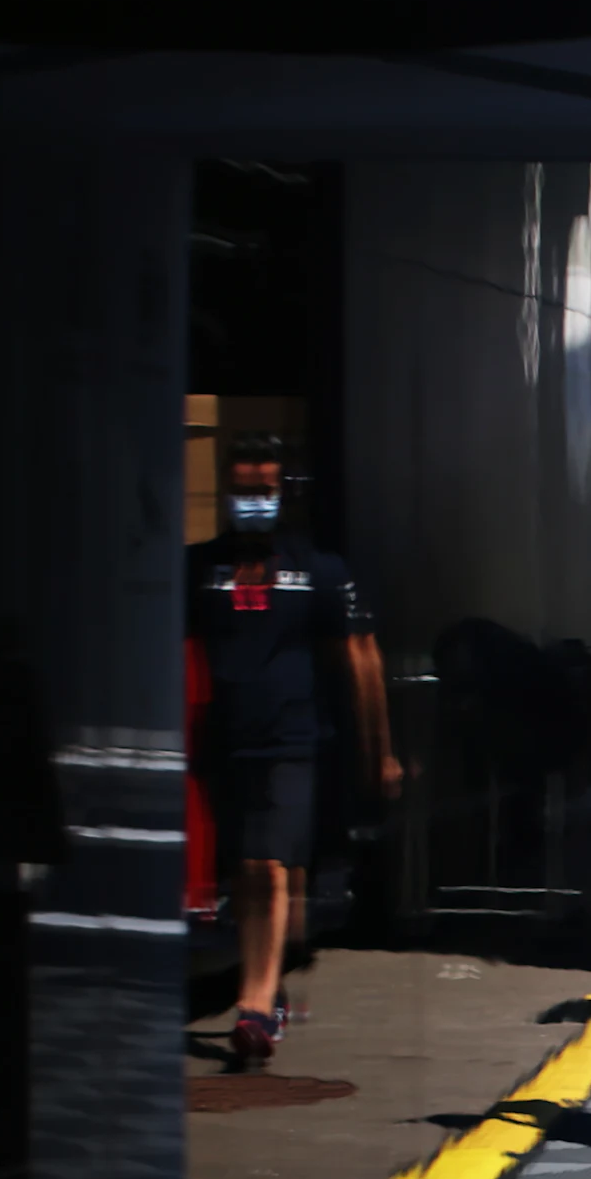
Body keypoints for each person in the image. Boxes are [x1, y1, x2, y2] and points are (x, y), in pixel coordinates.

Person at [187, 435, 396, 1068]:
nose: (252, 501)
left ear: (283, 493)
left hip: (291, 742)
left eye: (263, 491)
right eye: (241, 490)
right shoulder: (199, 569)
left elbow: (362, 657)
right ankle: (268, 984)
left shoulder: (317, 570)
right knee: (243, 873)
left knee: (268, 867)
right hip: (224, 743)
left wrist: (378, 749)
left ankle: (251, 1008)